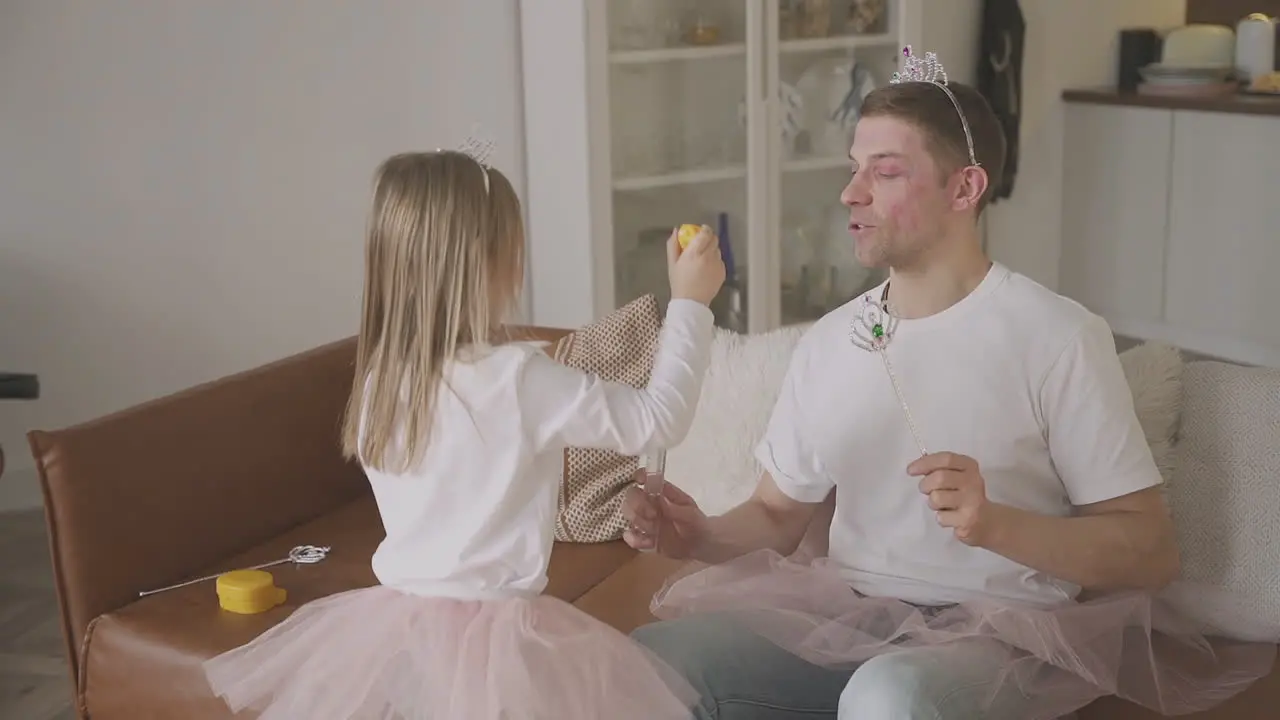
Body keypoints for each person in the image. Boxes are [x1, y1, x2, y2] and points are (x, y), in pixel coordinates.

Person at [621, 47, 1275, 720]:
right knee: (654, 659)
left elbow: (1150, 552)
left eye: (886, 172)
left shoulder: (1058, 337)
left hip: (1003, 636)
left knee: (888, 698)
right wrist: (695, 534)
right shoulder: (828, 344)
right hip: (849, 619)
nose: (850, 193)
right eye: (853, 170)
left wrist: (995, 524)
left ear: (964, 189)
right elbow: (777, 516)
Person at [202, 149, 726, 719]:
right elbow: (658, 418)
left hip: (399, 633)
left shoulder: (383, 379)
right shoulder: (518, 380)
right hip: (502, 641)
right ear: (490, 263)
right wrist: (689, 305)